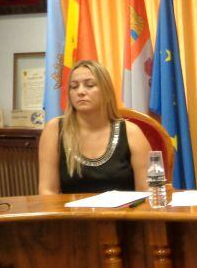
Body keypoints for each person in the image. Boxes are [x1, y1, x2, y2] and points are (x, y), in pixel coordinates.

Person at [38, 60, 151, 195]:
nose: (80, 92)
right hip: (71, 215)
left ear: (106, 91)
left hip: (122, 214)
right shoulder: (55, 129)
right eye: (74, 87)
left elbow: (147, 192)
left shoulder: (131, 132)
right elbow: (47, 191)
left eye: (89, 85)